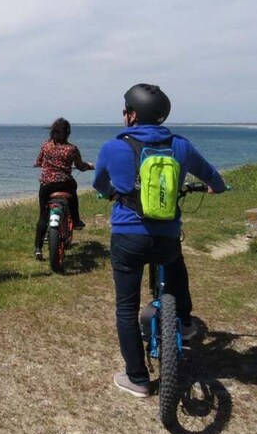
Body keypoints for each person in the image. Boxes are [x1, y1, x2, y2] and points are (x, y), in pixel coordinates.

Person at [93, 83, 226, 398]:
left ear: (133, 115)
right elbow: (214, 178)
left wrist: (110, 192)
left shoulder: (113, 146)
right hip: (165, 237)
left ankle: (137, 378)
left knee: (126, 307)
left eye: (125, 110)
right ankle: (185, 321)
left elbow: (99, 182)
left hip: (127, 237)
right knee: (175, 263)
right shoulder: (180, 145)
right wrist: (214, 188)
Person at [33, 117, 94, 261]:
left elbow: (39, 161)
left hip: (47, 186)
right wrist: (90, 166)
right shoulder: (71, 149)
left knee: (43, 216)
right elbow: (80, 166)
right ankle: (76, 219)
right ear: (68, 133)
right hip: (65, 184)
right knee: (73, 187)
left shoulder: (46, 146)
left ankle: (38, 248)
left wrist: (40, 165)